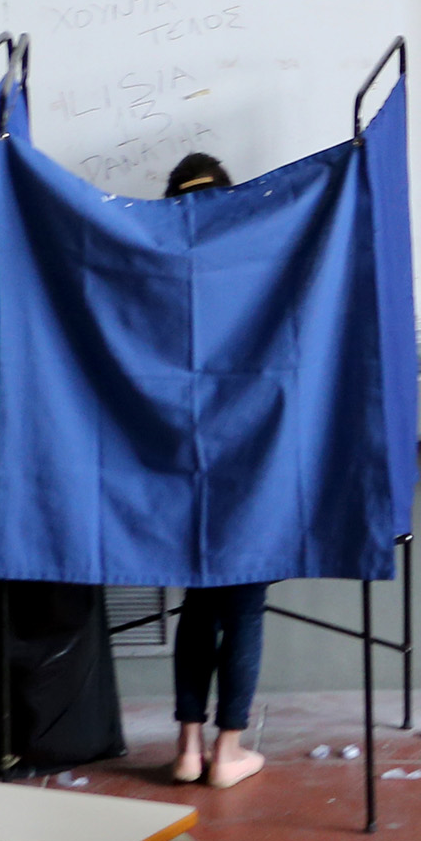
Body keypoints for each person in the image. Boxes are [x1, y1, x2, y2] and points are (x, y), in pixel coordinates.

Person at [158, 154, 268, 787]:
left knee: (198, 607)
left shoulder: (158, 264)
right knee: (245, 607)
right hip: (252, 459)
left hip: (179, 464)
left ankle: (187, 746)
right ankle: (230, 752)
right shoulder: (254, 265)